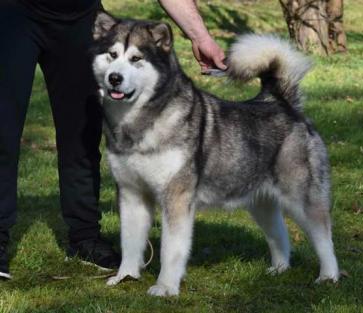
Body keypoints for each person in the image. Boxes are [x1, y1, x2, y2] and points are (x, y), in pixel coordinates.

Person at [0, 0, 227, 279]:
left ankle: (85, 238)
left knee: (82, 135)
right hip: (12, 14)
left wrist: (201, 36)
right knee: (2, 132)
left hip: (81, 20)